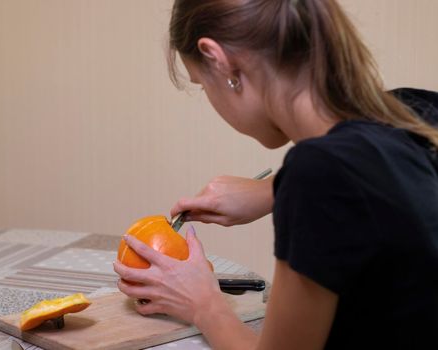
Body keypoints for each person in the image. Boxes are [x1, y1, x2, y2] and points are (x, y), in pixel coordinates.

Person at [113, 0, 438, 349]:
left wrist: (203, 304)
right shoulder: (415, 112)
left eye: (202, 84)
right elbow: (375, 183)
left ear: (219, 60)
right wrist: (270, 191)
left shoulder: (318, 175)